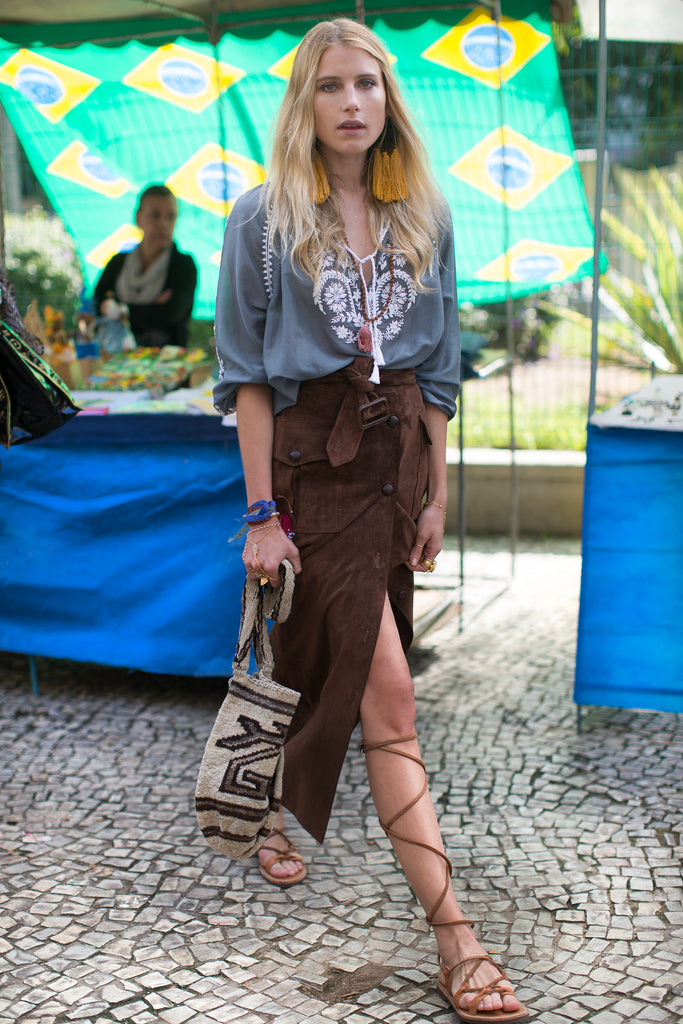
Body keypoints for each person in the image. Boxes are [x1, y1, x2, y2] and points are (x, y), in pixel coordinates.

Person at [213, 19, 528, 1024]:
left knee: (327, 649)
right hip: (310, 464)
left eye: (367, 86)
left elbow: (436, 368)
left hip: (392, 466)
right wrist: (261, 512)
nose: (351, 103)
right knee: (388, 694)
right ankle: (456, 940)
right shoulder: (259, 221)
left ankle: (263, 805)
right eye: (329, 87)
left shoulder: (423, 213)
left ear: (388, 101)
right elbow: (249, 382)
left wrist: (432, 491)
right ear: (302, 101)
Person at [94, 184, 197, 347]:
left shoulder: (184, 265)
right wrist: (151, 308)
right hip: (115, 361)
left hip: (166, 365)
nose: (163, 223)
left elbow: (170, 314)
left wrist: (119, 310)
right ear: (138, 217)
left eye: (170, 216)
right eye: (155, 215)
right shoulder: (118, 262)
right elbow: (96, 304)